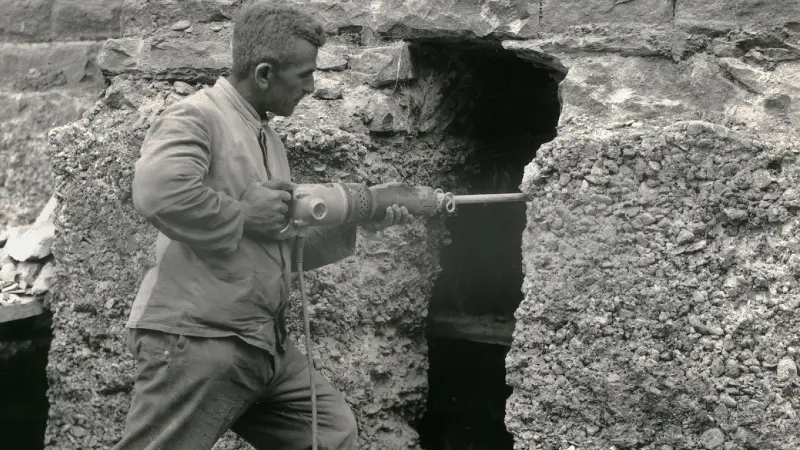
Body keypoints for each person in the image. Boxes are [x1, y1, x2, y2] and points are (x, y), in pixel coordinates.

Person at [113, 3, 412, 450]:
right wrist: (242, 214)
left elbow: (275, 247)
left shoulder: (266, 135)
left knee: (328, 432)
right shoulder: (197, 116)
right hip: (198, 338)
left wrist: (359, 220)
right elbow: (158, 194)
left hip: (258, 343)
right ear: (265, 73)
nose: (311, 88)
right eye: (305, 75)